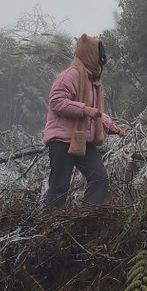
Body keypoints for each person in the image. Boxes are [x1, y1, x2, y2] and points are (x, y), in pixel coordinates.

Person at [43, 34, 126, 208]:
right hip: (61, 140)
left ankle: (85, 218)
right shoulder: (70, 76)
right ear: (90, 55)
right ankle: (49, 223)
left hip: (83, 141)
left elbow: (95, 112)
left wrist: (111, 127)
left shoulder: (92, 80)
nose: (102, 60)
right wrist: (85, 110)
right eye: (99, 55)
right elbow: (56, 102)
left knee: (99, 179)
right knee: (59, 189)